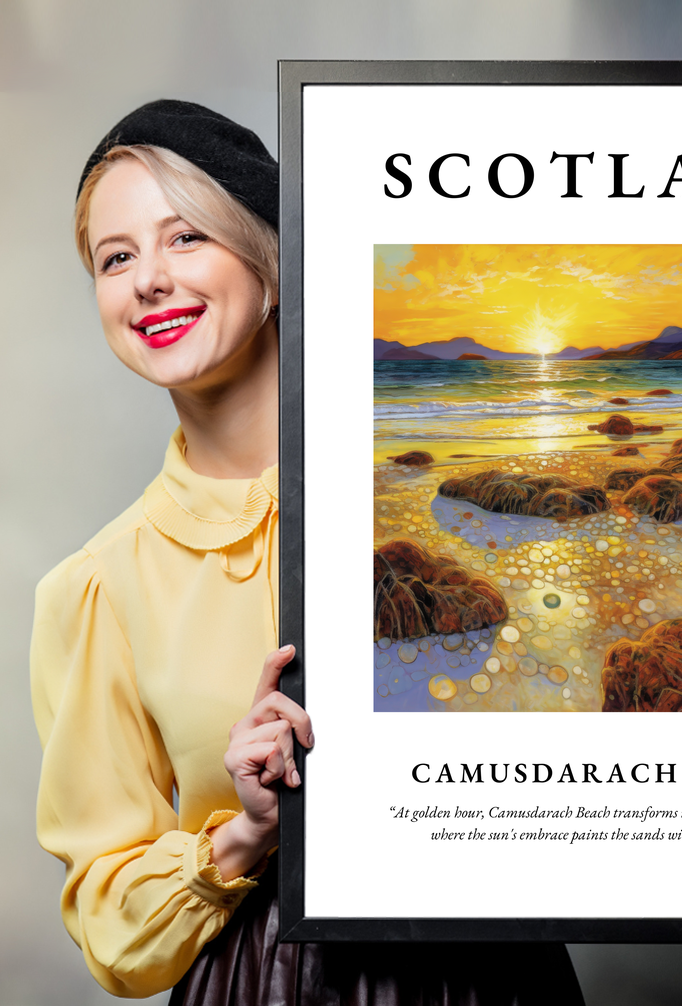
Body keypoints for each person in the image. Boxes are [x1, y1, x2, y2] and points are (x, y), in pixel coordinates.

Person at [30, 100, 585, 1004]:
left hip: (494, 972)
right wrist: (245, 832)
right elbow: (110, 923)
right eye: (116, 257)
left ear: (273, 264)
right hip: (264, 980)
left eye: (185, 238)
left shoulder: (449, 498)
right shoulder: (97, 587)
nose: (148, 281)